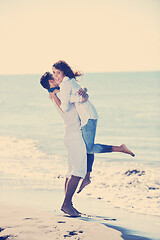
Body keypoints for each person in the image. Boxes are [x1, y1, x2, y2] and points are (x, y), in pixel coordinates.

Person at [51, 60, 135, 193]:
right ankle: (87, 176)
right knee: (86, 148)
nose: (55, 76)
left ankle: (120, 148)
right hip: (89, 115)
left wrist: (58, 96)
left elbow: (65, 107)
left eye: (58, 73)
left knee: (88, 148)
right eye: (53, 73)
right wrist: (80, 95)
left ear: (64, 72)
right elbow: (79, 94)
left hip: (88, 117)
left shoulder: (65, 84)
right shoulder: (68, 81)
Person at [40, 72, 87, 217]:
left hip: (69, 134)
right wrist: (84, 92)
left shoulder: (56, 94)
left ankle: (69, 204)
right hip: (73, 135)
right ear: (51, 81)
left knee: (71, 170)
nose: (58, 78)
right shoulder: (59, 94)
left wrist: (83, 88)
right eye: (55, 77)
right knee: (78, 170)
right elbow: (79, 99)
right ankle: (66, 204)